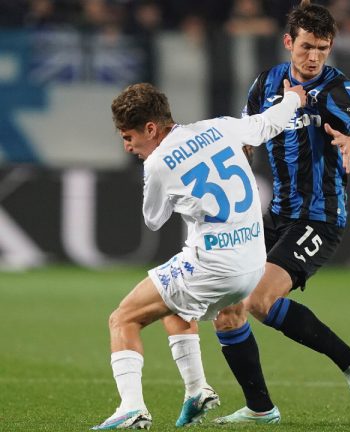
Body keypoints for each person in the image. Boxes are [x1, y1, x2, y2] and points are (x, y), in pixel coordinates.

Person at [196, 0, 350, 425]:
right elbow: (248, 137)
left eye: (323, 47)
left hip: (319, 216)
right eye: (306, 47)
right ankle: (261, 409)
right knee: (228, 310)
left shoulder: (336, 89)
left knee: (260, 300)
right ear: (288, 43)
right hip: (275, 215)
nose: (314, 56)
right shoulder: (266, 83)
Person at [92, 80, 306, 430]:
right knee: (173, 301)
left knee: (123, 318)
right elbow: (269, 122)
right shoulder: (219, 127)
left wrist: (169, 182)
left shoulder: (158, 162)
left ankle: (131, 408)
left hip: (214, 266)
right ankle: (197, 390)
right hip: (252, 265)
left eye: (129, 137)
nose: (128, 147)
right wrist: (294, 97)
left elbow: (154, 220)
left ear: (151, 128)